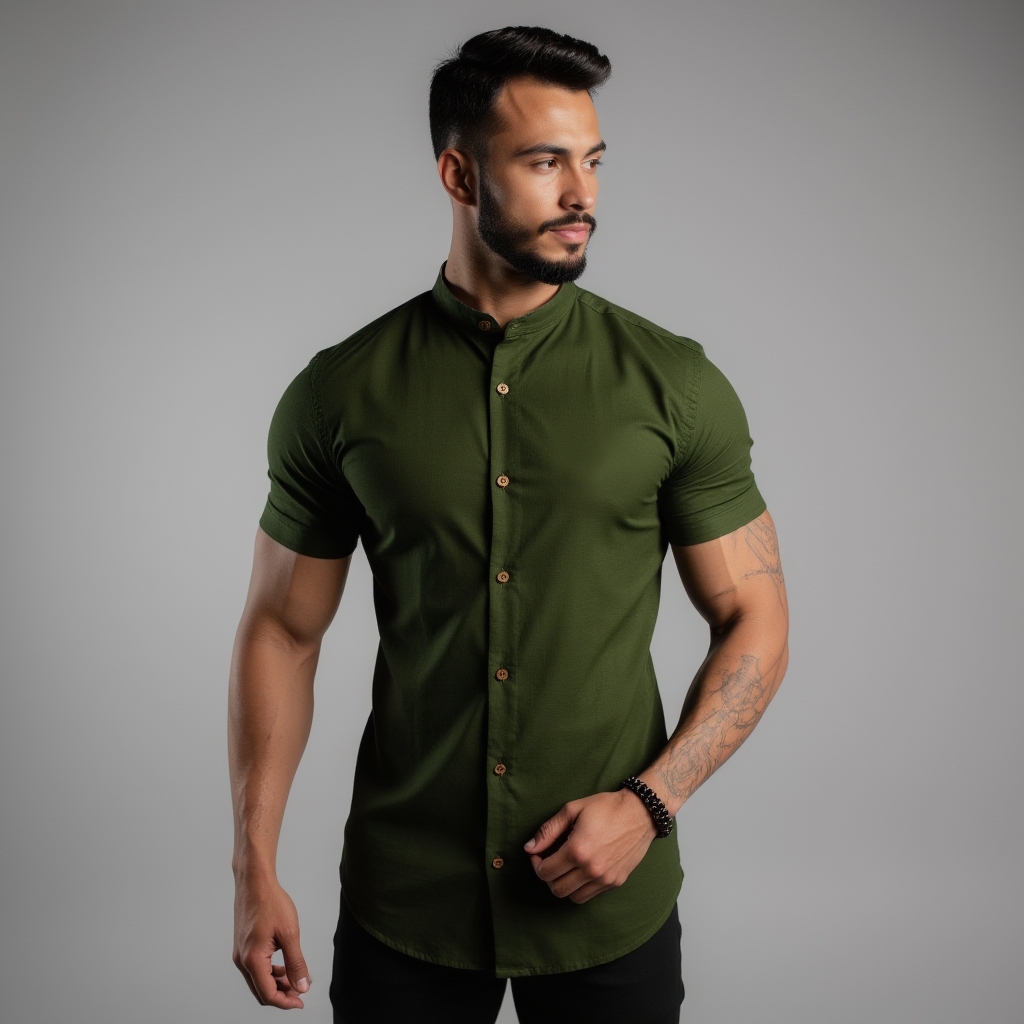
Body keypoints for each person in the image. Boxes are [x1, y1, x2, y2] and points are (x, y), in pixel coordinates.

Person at [229, 25, 789, 1024]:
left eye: (593, 161)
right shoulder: (339, 394)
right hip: (408, 901)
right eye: (543, 162)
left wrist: (651, 804)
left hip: (607, 900)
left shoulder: (675, 385)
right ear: (458, 173)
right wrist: (253, 865)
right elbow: (281, 630)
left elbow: (757, 617)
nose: (582, 195)